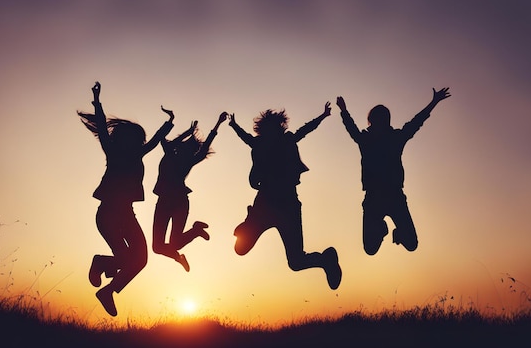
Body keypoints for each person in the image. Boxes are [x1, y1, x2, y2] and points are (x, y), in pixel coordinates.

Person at [78, 81, 174, 316]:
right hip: (109, 213)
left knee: (140, 260)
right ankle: (101, 263)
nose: (139, 143)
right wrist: (97, 101)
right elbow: (101, 127)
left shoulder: (138, 153)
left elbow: (154, 141)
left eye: (138, 140)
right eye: (134, 139)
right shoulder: (112, 151)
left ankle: (107, 290)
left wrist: (169, 123)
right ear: (123, 139)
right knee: (125, 258)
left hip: (127, 214)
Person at [228, 103, 342, 290]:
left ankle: (326, 260)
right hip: (264, 205)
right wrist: (233, 125)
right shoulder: (260, 143)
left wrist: (322, 116)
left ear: (278, 128)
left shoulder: (287, 140)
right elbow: (245, 138)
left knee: (296, 262)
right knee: (240, 249)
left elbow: (305, 130)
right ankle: (250, 222)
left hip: (287, 206)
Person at [337, 87, 451, 255]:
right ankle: (382, 229)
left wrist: (433, 103)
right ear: (372, 122)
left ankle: (397, 233)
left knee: (412, 245)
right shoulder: (366, 140)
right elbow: (351, 128)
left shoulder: (396, 138)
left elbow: (416, 123)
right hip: (373, 198)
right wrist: (344, 111)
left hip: (395, 196)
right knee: (370, 249)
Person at [151, 112, 228, 272]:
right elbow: (164, 141)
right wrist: (188, 132)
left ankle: (196, 230)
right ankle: (179, 256)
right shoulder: (170, 153)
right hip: (165, 202)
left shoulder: (185, 159)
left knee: (175, 243)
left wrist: (217, 124)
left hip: (179, 202)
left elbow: (204, 147)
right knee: (158, 247)